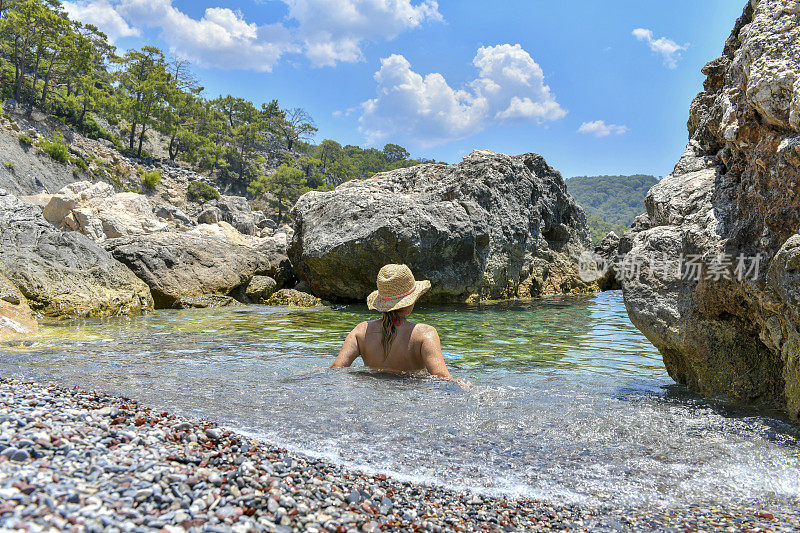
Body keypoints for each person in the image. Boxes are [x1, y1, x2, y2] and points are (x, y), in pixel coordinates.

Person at [330, 264, 453, 380]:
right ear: (411, 301)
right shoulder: (425, 333)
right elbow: (442, 377)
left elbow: (336, 369)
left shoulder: (361, 331)